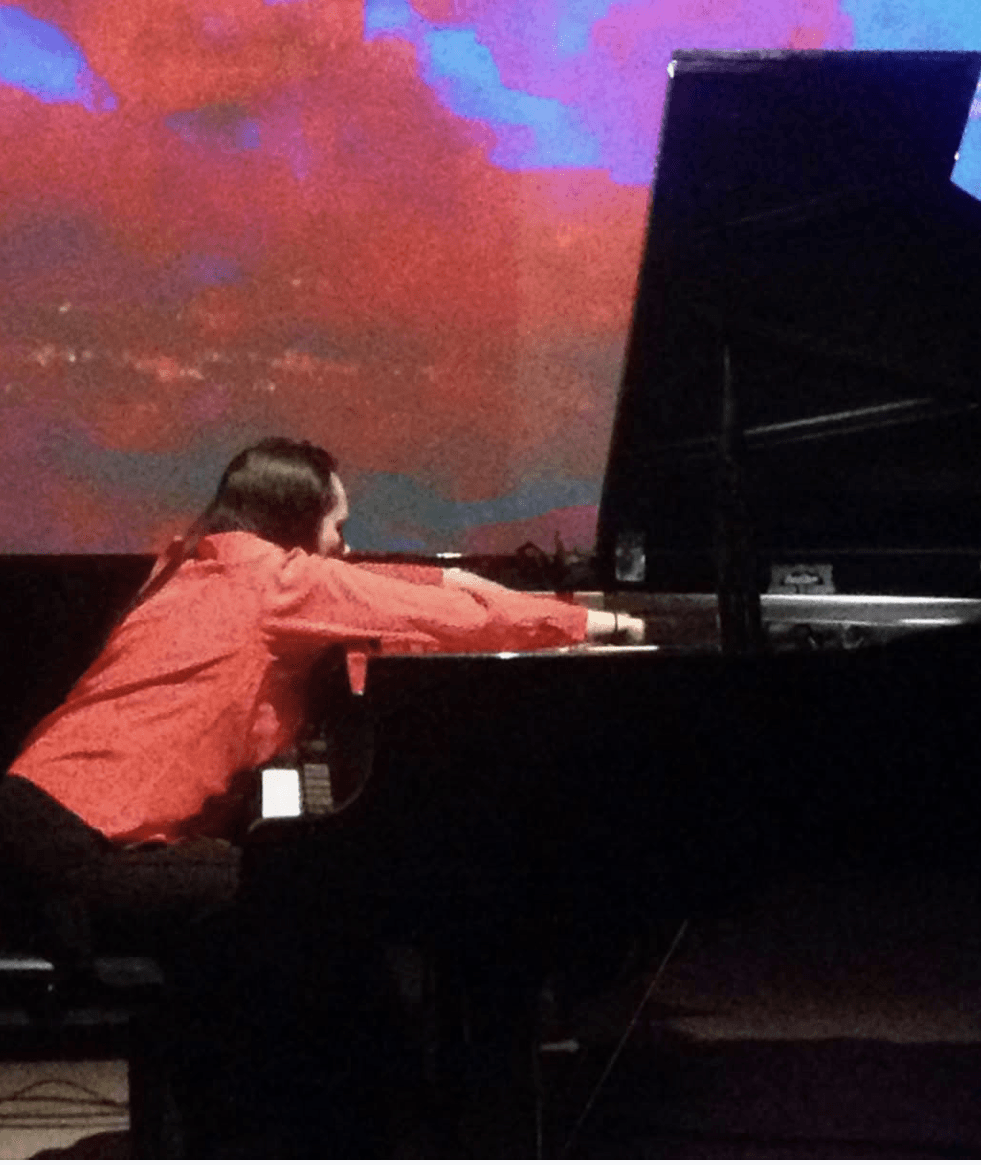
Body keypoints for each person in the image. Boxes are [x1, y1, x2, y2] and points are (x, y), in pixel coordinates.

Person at [0, 436, 643, 1153]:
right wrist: (595, 621)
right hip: (81, 852)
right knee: (299, 893)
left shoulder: (186, 563)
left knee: (265, 907)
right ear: (294, 521)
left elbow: (405, 588)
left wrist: (442, 586)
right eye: (336, 525)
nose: (343, 546)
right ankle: (358, 1124)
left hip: (26, 814)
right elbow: (452, 618)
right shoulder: (281, 584)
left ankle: (257, 1119)